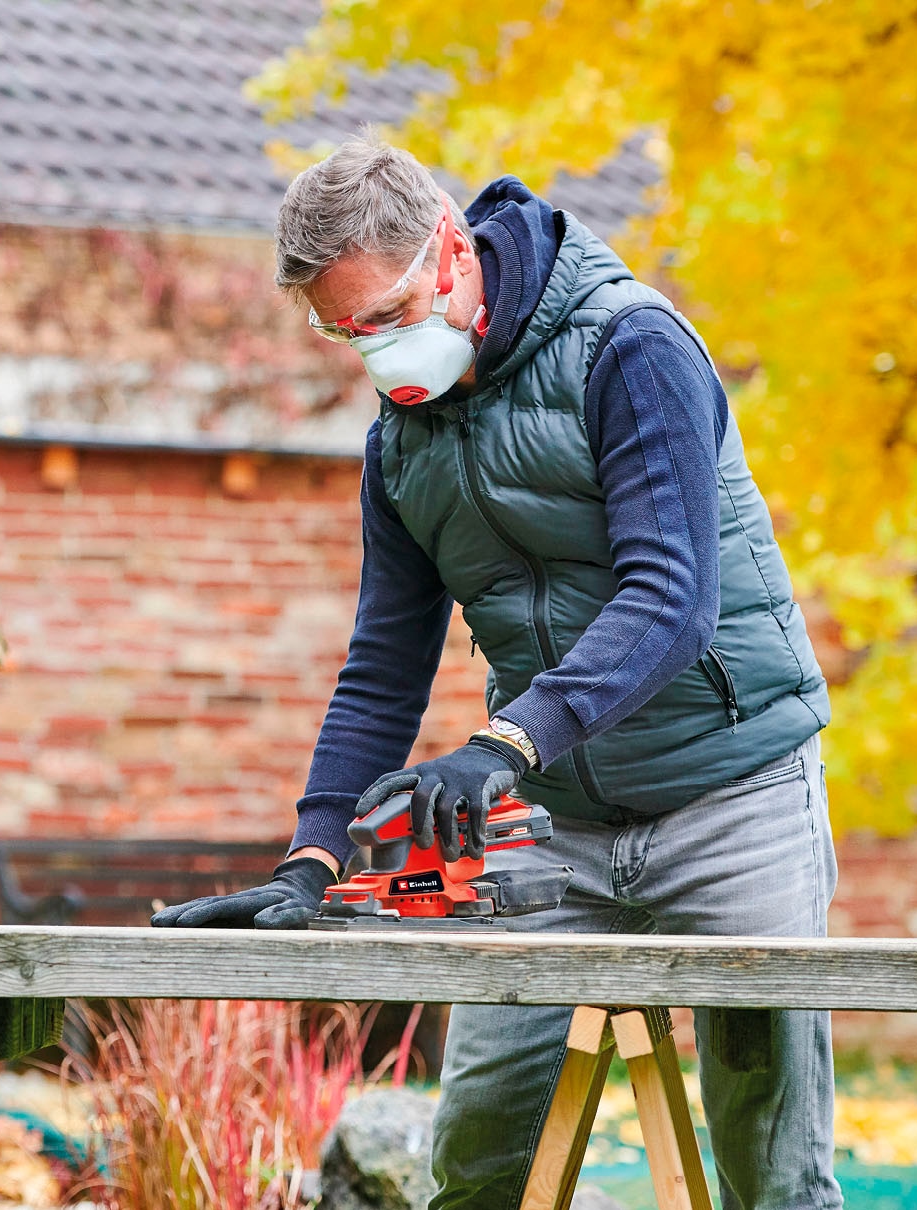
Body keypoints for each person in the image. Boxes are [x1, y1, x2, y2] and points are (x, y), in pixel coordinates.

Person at [152, 135, 841, 1210]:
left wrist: (502, 744)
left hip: (730, 798)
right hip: (550, 825)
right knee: (475, 1161)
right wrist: (312, 858)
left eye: (382, 316)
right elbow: (383, 665)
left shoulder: (630, 346)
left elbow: (669, 601)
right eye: (343, 332)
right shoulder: (399, 442)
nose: (372, 351)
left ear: (448, 249)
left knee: (772, 1172)